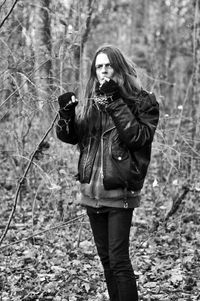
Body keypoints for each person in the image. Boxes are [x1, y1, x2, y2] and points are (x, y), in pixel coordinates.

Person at [56, 45, 159, 301]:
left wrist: (114, 100)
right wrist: (66, 115)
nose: (103, 71)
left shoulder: (142, 101)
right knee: (106, 262)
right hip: (92, 193)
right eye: (99, 67)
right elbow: (71, 137)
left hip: (120, 192)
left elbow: (138, 137)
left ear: (119, 68)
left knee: (119, 261)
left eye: (108, 65)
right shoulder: (92, 102)